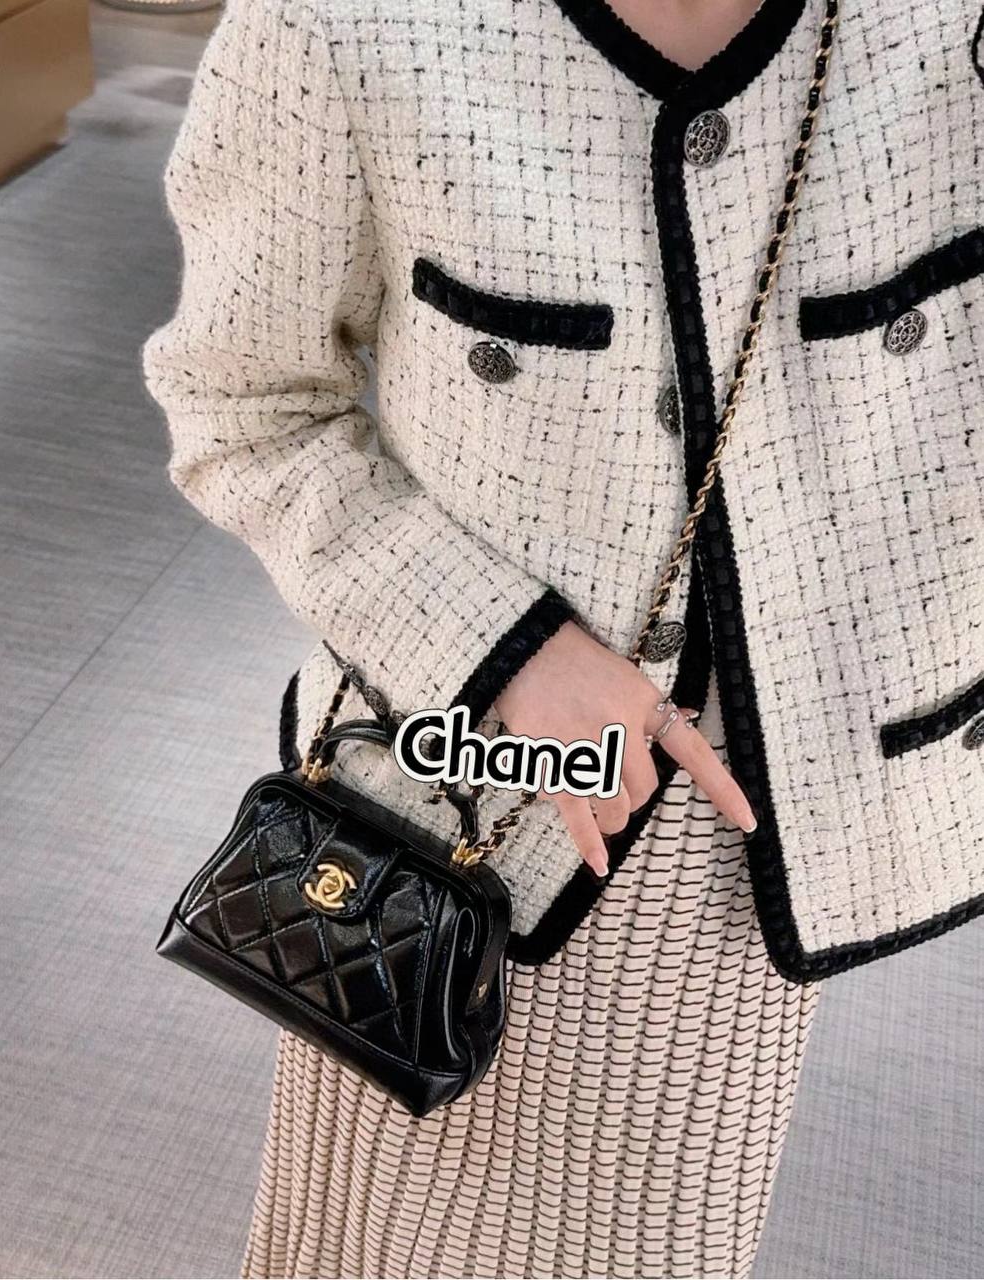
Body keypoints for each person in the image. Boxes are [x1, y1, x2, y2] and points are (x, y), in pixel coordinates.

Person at [143, 0, 984, 1275]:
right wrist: (502, 645)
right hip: (449, 799)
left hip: (746, 838)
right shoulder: (339, 25)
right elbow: (242, 406)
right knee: (361, 1236)